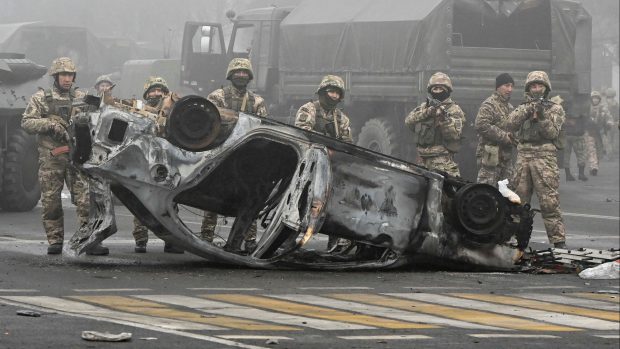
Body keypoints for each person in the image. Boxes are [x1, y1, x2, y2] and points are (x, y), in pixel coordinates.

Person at [21, 57, 109, 255]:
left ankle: (90, 241)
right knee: (51, 203)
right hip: (51, 159)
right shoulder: (42, 98)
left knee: (86, 202)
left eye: (70, 75)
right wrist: (50, 125)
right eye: (63, 75)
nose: (67, 79)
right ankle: (55, 241)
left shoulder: (81, 97)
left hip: (77, 158)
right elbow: (26, 122)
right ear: (56, 76)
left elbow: (100, 117)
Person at [202, 58, 268, 252]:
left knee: (251, 198)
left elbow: (264, 128)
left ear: (250, 77)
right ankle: (206, 237)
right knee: (212, 197)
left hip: (247, 157)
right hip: (220, 153)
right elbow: (209, 123)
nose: (241, 75)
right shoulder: (217, 97)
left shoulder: (257, 101)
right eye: (237, 72)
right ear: (230, 75)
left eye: (244, 72)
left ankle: (249, 240)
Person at [505, 71, 567, 249]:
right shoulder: (522, 106)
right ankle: (517, 240)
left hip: (544, 157)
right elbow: (510, 123)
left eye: (540, 85)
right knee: (518, 201)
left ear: (546, 88)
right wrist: (527, 110)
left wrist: (542, 116)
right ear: (528, 88)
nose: (536, 89)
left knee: (549, 201)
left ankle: (558, 241)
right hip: (523, 156)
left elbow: (552, 133)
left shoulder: (555, 109)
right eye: (533, 86)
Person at [295, 75, 353, 252]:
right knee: (301, 203)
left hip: (329, 167)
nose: (333, 96)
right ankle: (290, 239)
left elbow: (347, 143)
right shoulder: (309, 109)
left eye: (337, 93)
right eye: (331, 91)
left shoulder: (341, 118)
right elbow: (302, 133)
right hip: (308, 165)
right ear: (322, 91)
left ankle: (334, 243)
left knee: (333, 204)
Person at [131, 76, 184, 254]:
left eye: (160, 90)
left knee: (170, 201)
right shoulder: (137, 110)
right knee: (140, 199)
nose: (156, 93)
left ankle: (172, 241)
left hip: (167, 161)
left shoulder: (172, 109)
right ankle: (140, 240)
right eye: (152, 90)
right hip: (144, 160)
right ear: (147, 94)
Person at [405, 72, 465, 177]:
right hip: (422, 161)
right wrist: (426, 113)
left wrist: (443, 120)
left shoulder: (454, 110)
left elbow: (454, 135)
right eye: (435, 89)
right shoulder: (424, 107)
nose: (437, 91)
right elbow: (408, 122)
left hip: (442, 163)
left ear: (447, 90)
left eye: (441, 89)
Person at [474, 73, 516, 187]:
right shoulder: (489, 104)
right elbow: (481, 124)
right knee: (487, 190)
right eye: (507, 86)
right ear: (498, 87)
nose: (510, 89)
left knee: (508, 192)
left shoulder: (510, 107)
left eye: (512, 86)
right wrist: (504, 136)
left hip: (505, 157)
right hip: (490, 156)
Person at [558, 96, 588, 181]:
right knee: (581, 154)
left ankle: (568, 175)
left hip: (566, 134)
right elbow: (585, 119)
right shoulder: (582, 105)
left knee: (566, 155)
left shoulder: (563, 105)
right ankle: (581, 174)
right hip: (577, 134)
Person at [586, 91, 613, 175]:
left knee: (599, 151)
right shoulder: (587, 108)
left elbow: (609, 118)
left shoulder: (603, 109)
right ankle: (593, 167)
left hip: (600, 133)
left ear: (599, 99)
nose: (595, 100)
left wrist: (609, 124)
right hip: (590, 132)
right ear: (591, 99)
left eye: (597, 98)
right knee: (591, 150)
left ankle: (595, 165)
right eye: (594, 98)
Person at [604, 88, 619, 159]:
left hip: (614, 124)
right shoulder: (606, 106)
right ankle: (610, 154)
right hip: (609, 124)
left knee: (611, 140)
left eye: (610, 97)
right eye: (608, 97)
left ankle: (611, 154)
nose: (609, 99)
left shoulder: (616, 106)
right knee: (609, 140)